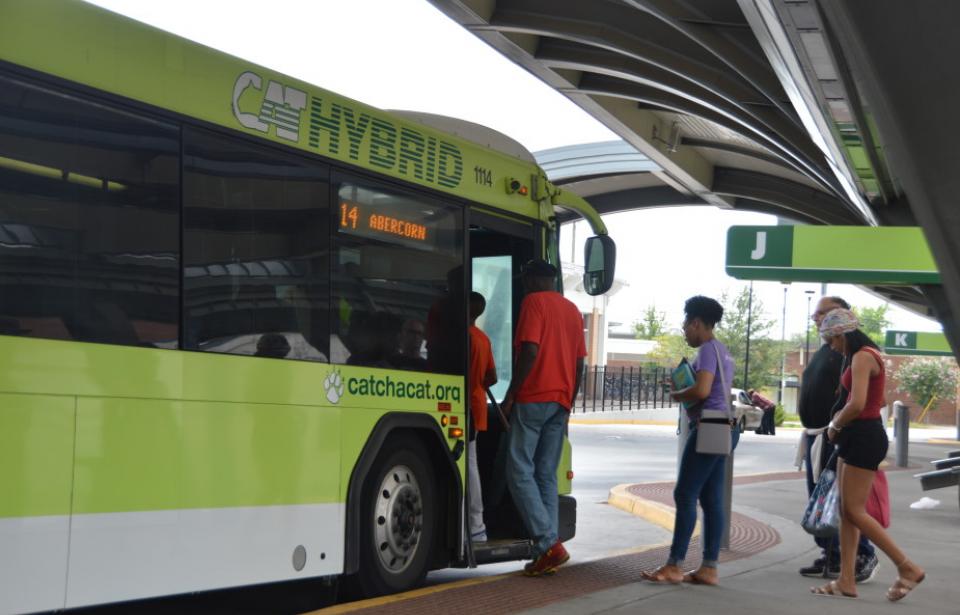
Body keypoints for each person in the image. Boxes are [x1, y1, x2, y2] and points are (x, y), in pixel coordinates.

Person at [811, 308, 925, 601]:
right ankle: (846, 580)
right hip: (857, 436)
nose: (831, 345)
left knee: (856, 511)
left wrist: (835, 425)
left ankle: (907, 567)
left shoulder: (863, 356)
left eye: (832, 339)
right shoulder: (861, 356)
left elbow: (858, 403)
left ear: (842, 333)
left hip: (863, 436)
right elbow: (874, 398)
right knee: (846, 511)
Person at [641, 296, 738, 586]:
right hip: (725, 427)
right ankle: (709, 568)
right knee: (711, 498)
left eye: (685, 324)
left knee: (685, 494)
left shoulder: (708, 349)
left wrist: (677, 394)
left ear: (696, 322)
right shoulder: (723, 350)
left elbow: (702, 391)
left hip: (708, 426)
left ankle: (674, 565)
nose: (684, 330)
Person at [502, 259, 585, 576]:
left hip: (534, 397)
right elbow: (580, 364)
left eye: (524, 278)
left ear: (534, 279)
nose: (523, 284)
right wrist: (569, 403)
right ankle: (546, 551)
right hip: (560, 400)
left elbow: (531, 351)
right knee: (546, 475)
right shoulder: (572, 310)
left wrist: (512, 394)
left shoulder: (533, 302)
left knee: (518, 470)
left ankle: (548, 542)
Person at [798, 296, 878, 582]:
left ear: (842, 317)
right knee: (822, 499)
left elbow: (859, 400)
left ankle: (863, 554)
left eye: (821, 314)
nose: (815, 318)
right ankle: (831, 554)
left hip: (837, 435)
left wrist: (836, 426)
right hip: (818, 434)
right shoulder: (829, 350)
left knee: (842, 501)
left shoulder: (857, 354)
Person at [467, 292, 497, 543]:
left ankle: (475, 526)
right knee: (471, 464)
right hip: (476, 405)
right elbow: (492, 377)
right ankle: (476, 524)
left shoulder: (462, 337)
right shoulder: (483, 339)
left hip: (463, 405)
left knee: (468, 467)